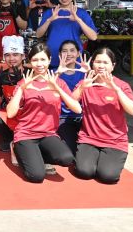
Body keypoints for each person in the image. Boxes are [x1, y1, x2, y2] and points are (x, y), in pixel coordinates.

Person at [6, 43, 81, 183]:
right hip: (26, 134)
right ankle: (18, 149)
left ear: (49, 60)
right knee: (36, 176)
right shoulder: (24, 83)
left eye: (43, 59)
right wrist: (21, 89)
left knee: (67, 158)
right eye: (35, 60)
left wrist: (57, 88)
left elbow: (77, 109)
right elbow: (10, 113)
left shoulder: (58, 82)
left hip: (48, 134)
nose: (39, 64)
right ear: (30, 62)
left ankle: (36, 155)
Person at [72, 48, 133, 184]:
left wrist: (116, 90)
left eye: (105, 62)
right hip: (89, 138)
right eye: (98, 62)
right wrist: (82, 87)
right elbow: (70, 102)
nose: (101, 66)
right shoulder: (87, 82)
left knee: (108, 176)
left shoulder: (121, 85)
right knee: (84, 172)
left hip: (115, 141)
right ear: (92, 64)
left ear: (113, 66)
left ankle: (107, 161)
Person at [36, 0, 98, 68]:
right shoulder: (50, 13)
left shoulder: (82, 13)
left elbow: (93, 37)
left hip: (74, 62)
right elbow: (38, 34)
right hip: (52, 59)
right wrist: (49, 20)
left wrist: (78, 19)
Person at [0, 36, 25, 153]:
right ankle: (8, 138)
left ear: (23, 56)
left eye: (15, 54)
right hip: (10, 114)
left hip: (28, 115)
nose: (11, 58)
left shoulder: (30, 73)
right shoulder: (2, 75)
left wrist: (21, 82)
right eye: (8, 55)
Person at [54, 40, 90, 153]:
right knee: (71, 150)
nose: (69, 54)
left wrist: (89, 72)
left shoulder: (85, 73)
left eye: (72, 50)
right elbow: (48, 88)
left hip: (84, 118)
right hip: (63, 118)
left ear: (78, 53)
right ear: (60, 54)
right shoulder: (54, 73)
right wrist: (58, 73)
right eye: (65, 51)